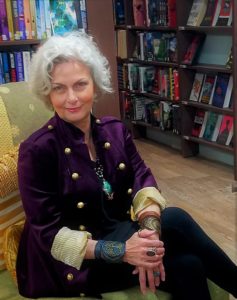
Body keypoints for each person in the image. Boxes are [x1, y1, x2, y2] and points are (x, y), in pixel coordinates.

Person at [16, 32, 237, 300]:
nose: (71, 97)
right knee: (177, 220)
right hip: (74, 259)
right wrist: (124, 252)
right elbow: (49, 236)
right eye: (59, 88)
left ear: (95, 87)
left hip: (117, 231)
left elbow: (143, 180)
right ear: (47, 92)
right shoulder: (37, 150)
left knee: (189, 265)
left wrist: (149, 245)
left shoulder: (115, 131)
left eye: (80, 84)